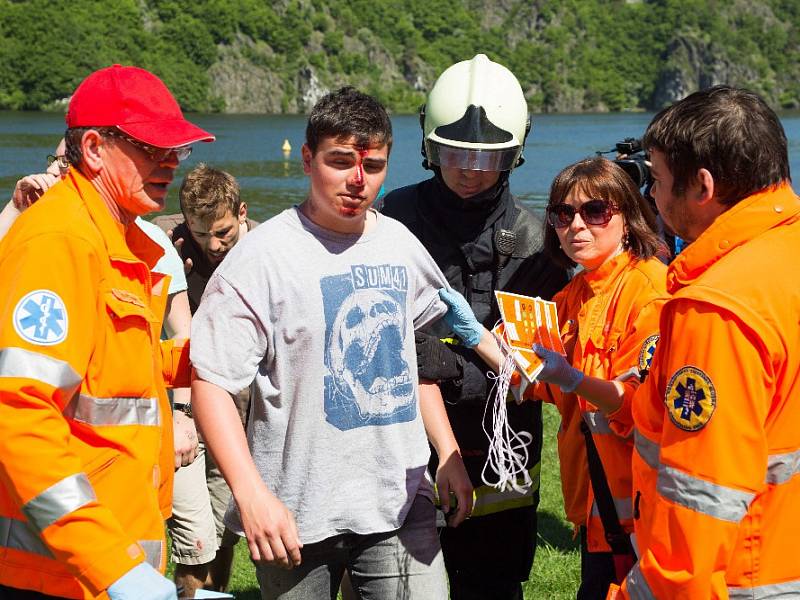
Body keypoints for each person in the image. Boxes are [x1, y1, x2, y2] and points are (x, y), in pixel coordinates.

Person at [189, 86, 472, 600]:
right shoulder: (259, 260)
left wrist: (447, 451)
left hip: (398, 504)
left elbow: (411, 364)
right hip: (292, 515)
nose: (358, 181)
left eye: (375, 165)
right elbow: (211, 386)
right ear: (306, 158)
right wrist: (250, 496)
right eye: (340, 161)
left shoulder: (399, 245)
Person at [0, 64, 214, 599]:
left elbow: (116, 372)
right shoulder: (60, 239)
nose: (171, 164)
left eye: (177, 151)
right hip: (60, 576)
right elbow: (18, 411)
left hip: (109, 562)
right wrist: (114, 570)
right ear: (94, 148)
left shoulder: (113, 240)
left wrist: (213, 356)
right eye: (153, 148)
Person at [381, 53, 569, 599]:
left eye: (489, 155)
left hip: (504, 436)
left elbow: (544, 361)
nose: (472, 168)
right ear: (430, 147)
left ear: (514, 154)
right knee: (401, 574)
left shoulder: (536, 241)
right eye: (457, 151)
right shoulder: (393, 221)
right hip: (408, 430)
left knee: (495, 577)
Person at [610, 85, 800, 598]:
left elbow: (699, 509)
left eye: (657, 179)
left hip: (745, 579)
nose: (649, 195)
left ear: (703, 186)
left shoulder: (716, 308)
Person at [528, 157, 667, 599]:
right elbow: (544, 383)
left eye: (595, 211)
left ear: (627, 217)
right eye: (563, 214)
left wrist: (571, 379)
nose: (577, 226)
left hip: (641, 513)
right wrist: (483, 345)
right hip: (596, 511)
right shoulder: (571, 296)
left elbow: (636, 405)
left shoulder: (649, 291)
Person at [153, 164, 258, 597]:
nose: (213, 245)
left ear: (242, 213)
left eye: (224, 233)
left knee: (227, 525)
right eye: (201, 234)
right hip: (186, 402)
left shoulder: (271, 247)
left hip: (245, 406)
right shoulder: (165, 237)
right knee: (195, 537)